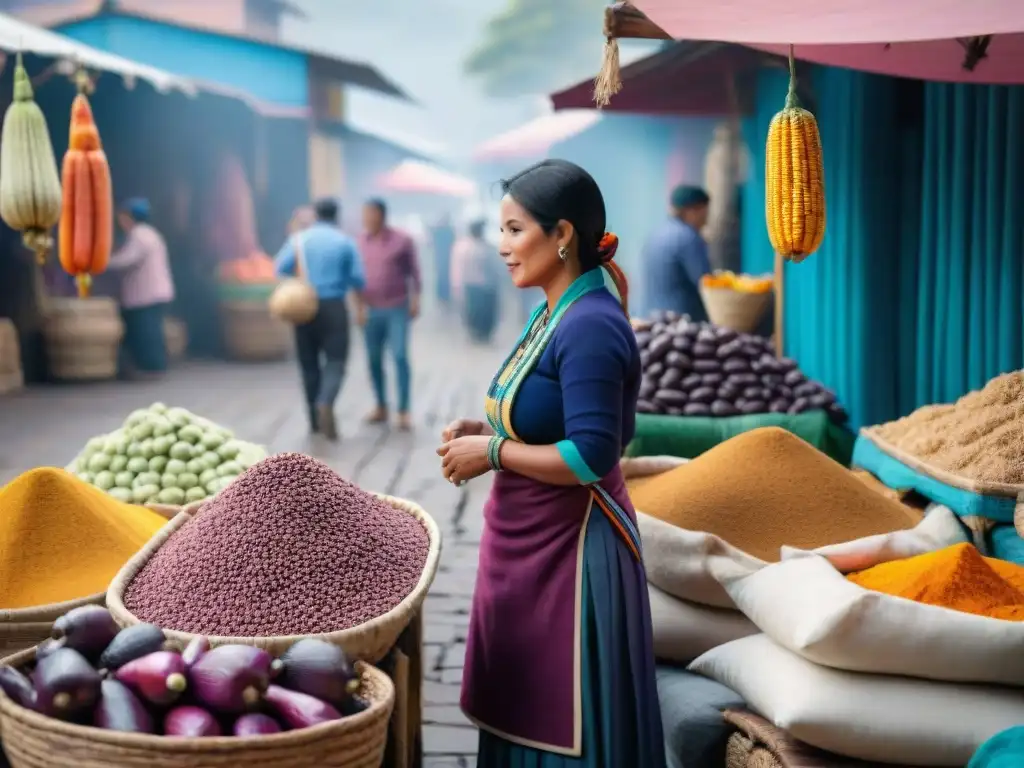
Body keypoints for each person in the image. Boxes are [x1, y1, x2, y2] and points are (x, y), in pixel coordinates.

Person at [436, 159, 665, 767]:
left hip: (572, 551)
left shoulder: (588, 323)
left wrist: (491, 452)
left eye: (514, 230)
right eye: (501, 230)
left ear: (561, 234)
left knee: (560, 717)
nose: (502, 246)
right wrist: (489, 428)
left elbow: (592, 454)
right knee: (519, 703)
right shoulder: (554, 309)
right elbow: (551, 414)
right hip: (531, 541)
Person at [274, 198, 365, 441]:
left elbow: (280, 267)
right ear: (337, 215)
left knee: (308, 364)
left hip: (304, 307)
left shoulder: (299, 239)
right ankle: (326, 401)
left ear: (315, 214)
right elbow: (358, 278)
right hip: (334, 306)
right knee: (335, 360)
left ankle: (314, 421)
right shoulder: (345, 241)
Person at [357, 199, 421, 431]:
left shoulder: (402, 241)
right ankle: (381, 405)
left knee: (400, 355)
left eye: (370, 214)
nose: (366, 219)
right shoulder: (360, 242)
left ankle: (403, 409)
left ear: (381, 215)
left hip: (397, 307)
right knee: (373, 359)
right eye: (364, 214)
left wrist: (415, 300)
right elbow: (356, 279)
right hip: (370, 308)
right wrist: (359, 308)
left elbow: (415, 273)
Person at [107, 198, 175, 378]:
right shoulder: (150, 233)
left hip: (147, 295)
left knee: (147, 332)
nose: (120, 221)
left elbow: (128, 259)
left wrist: (104, 263)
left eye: (123, 217)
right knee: (150, 330)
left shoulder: (140, 234)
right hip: (153, 293)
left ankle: (152, 367)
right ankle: (152, 365)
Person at [642, 184, 712, 321]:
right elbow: (706, 283)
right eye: (704, 212)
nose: (706, 219)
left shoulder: (656, 234)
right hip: (682, 323)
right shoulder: (689, 237)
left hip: (652, 319)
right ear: (692, 211)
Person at [451, 219, 501, 343]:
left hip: (487, 286)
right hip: (472, 286)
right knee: (473, 313)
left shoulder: (486, 246)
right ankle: (475, 335)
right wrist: (457, 286)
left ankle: (485, 335)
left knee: (487, 313)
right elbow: (457, 269)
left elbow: (495, 267)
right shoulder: (463, 247)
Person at [430, 213, 456, 306]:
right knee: (443, 276)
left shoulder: (439, 231)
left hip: (443, 257)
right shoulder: (448, 231)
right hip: (445, 257)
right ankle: (443, 296)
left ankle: (443, 296)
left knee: (443, 276)